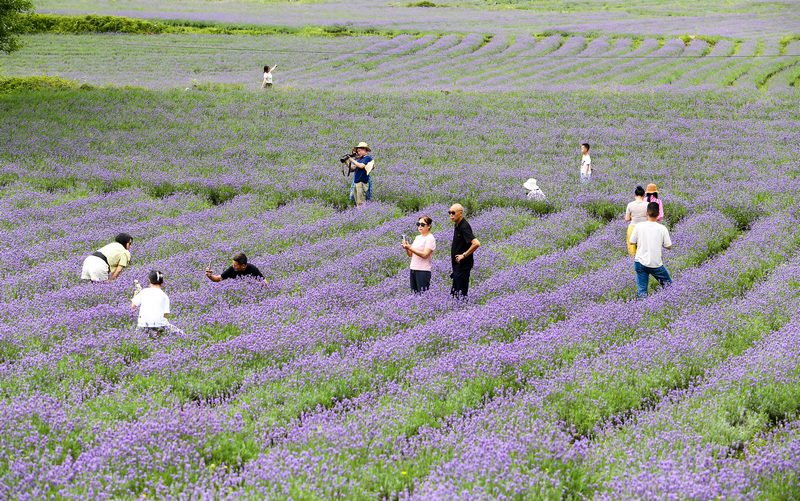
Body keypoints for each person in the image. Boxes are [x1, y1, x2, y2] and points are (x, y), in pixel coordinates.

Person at [629, 202, 673, 299]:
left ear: (646, 213)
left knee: (642, 291)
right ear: (658, 214)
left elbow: (632, 242)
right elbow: (669, 246)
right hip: (655, 263)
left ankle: (642, 310)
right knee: (669, 286)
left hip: (640, 262)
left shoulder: (638, 226)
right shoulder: (662, 228)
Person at [132, 270, 183, 338]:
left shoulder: (144, 292)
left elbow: (133, 306)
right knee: (181, 334)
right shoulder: (164, 296)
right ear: (162, 282)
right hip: (160, 325)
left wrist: (135, 294)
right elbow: (166, 315)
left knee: (136, 338)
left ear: (149, 281)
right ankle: (157, 334)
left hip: (143, 325)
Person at [449, 203, 480, 298]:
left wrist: (464, 255)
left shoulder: (464, 226)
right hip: (457, 266)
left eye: (453, 213)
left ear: (460, 213)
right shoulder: (457, 225)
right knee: (455, 293)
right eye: (449, 213)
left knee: (461, 293)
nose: (451, 215)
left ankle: (462, 309)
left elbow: (476, 243)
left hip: (463, 266)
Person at [402, 215, 436, 293]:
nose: (420, 226)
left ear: (429, 226)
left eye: (423, 224)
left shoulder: (430, 238)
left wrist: (410, 247)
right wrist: (407, 248)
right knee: (414, 295)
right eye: (418, 224)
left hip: (423, 271)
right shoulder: (417, 237)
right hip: (413, 269)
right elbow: (410, 254)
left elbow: (425, 255)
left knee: (423, 295)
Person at [624, 185, 648, 256]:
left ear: (635, 195)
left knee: (632, 248)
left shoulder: (630, 205)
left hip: (633, 227)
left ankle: (632, 263)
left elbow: (627, 219)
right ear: (644, 195)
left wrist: (633, 217)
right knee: (644, 248)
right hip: (644, 228)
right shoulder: (647, 205)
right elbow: (649, 218)